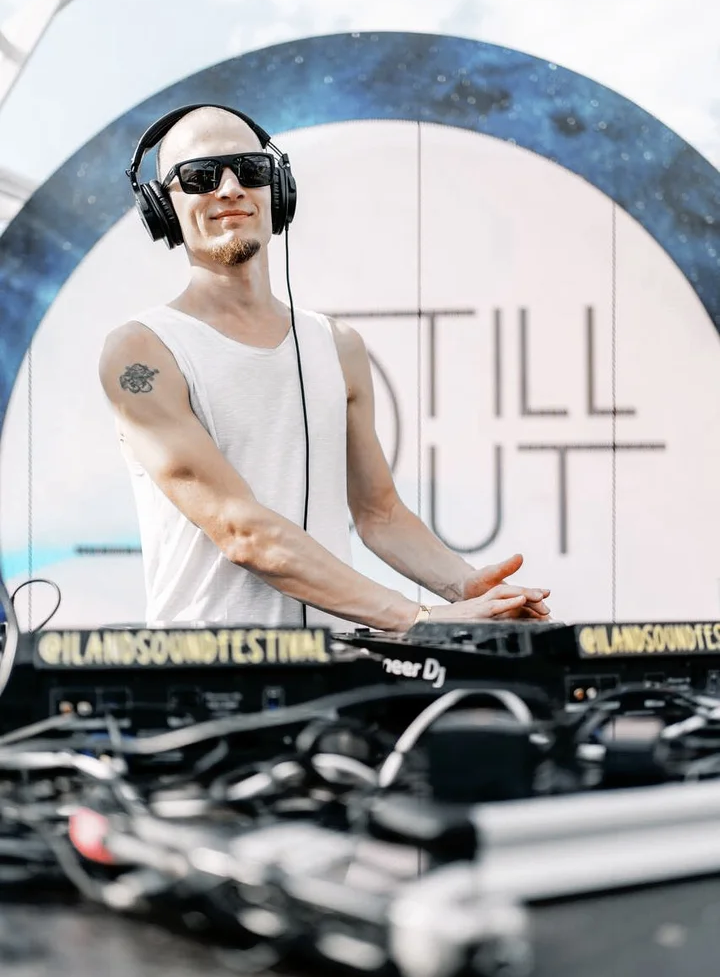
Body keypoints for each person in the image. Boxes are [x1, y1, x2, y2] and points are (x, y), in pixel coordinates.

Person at [99, 104, 551, 631]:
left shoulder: (337, 346)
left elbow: (380, 514)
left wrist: (470, 590)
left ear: (278, 189)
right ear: (161, 206)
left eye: (249, 169)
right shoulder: (141, 353)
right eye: (201, 175)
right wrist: (420, 617)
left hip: (331, 663)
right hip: (203, 667)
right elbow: (241, 532)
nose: (229, 188)